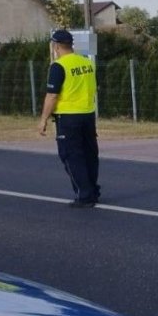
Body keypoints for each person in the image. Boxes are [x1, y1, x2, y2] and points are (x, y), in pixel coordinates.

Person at [37, 29, 100, 208]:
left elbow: (52, 96)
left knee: (72, 156)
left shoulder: (59, 66)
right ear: (71, 45)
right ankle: (93, 191)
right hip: (88, 115)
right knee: (89, 155)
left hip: (68, 118)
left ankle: (84, 195)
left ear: (56, 46)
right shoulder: (86, 62)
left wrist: (43, 119)